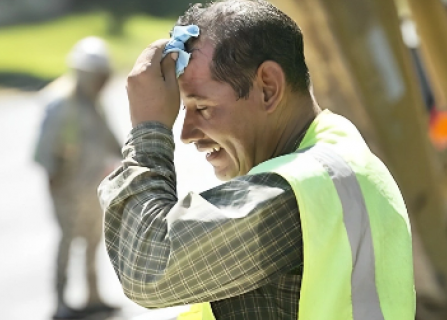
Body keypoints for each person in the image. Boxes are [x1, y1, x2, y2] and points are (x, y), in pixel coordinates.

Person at [98, 1, 416, 319]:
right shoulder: (336, 155)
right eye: (184, 110)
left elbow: (148, 269)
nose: (187, 133)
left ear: (267, 88)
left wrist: (148, 131)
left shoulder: (301, 187)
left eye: (202, 107)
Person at [34, 36, 121, 319]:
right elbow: (45, 150)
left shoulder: (92, 103)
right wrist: (56, 183)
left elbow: (108, 137)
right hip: (68, 189)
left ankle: (93, 296)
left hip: (93, 187)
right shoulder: (62, 105)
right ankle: (60, 302)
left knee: (94, 241)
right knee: (67, 242)